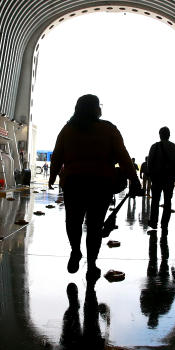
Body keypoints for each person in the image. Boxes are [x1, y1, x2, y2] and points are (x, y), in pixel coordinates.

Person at [49, 94, 142, 279]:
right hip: (101, 184)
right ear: (96, 108)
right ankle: (91, 265)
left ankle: (75, 250)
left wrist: (52, 177)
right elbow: (123, 157)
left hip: (74, 183)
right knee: (95, 225)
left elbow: (57, 156)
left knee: (73, 221)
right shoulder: (108, 129)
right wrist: (135, 180)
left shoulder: (67, 130)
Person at [146, 126, 175, 235]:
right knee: (167, 202)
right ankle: (164, 224)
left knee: (155, 201)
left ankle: (153, 222)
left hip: (157, 179)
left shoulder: (155, 146)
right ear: (169, 135)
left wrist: (151, 176)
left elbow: (150, 163)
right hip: (169, 179)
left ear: (160, 135)